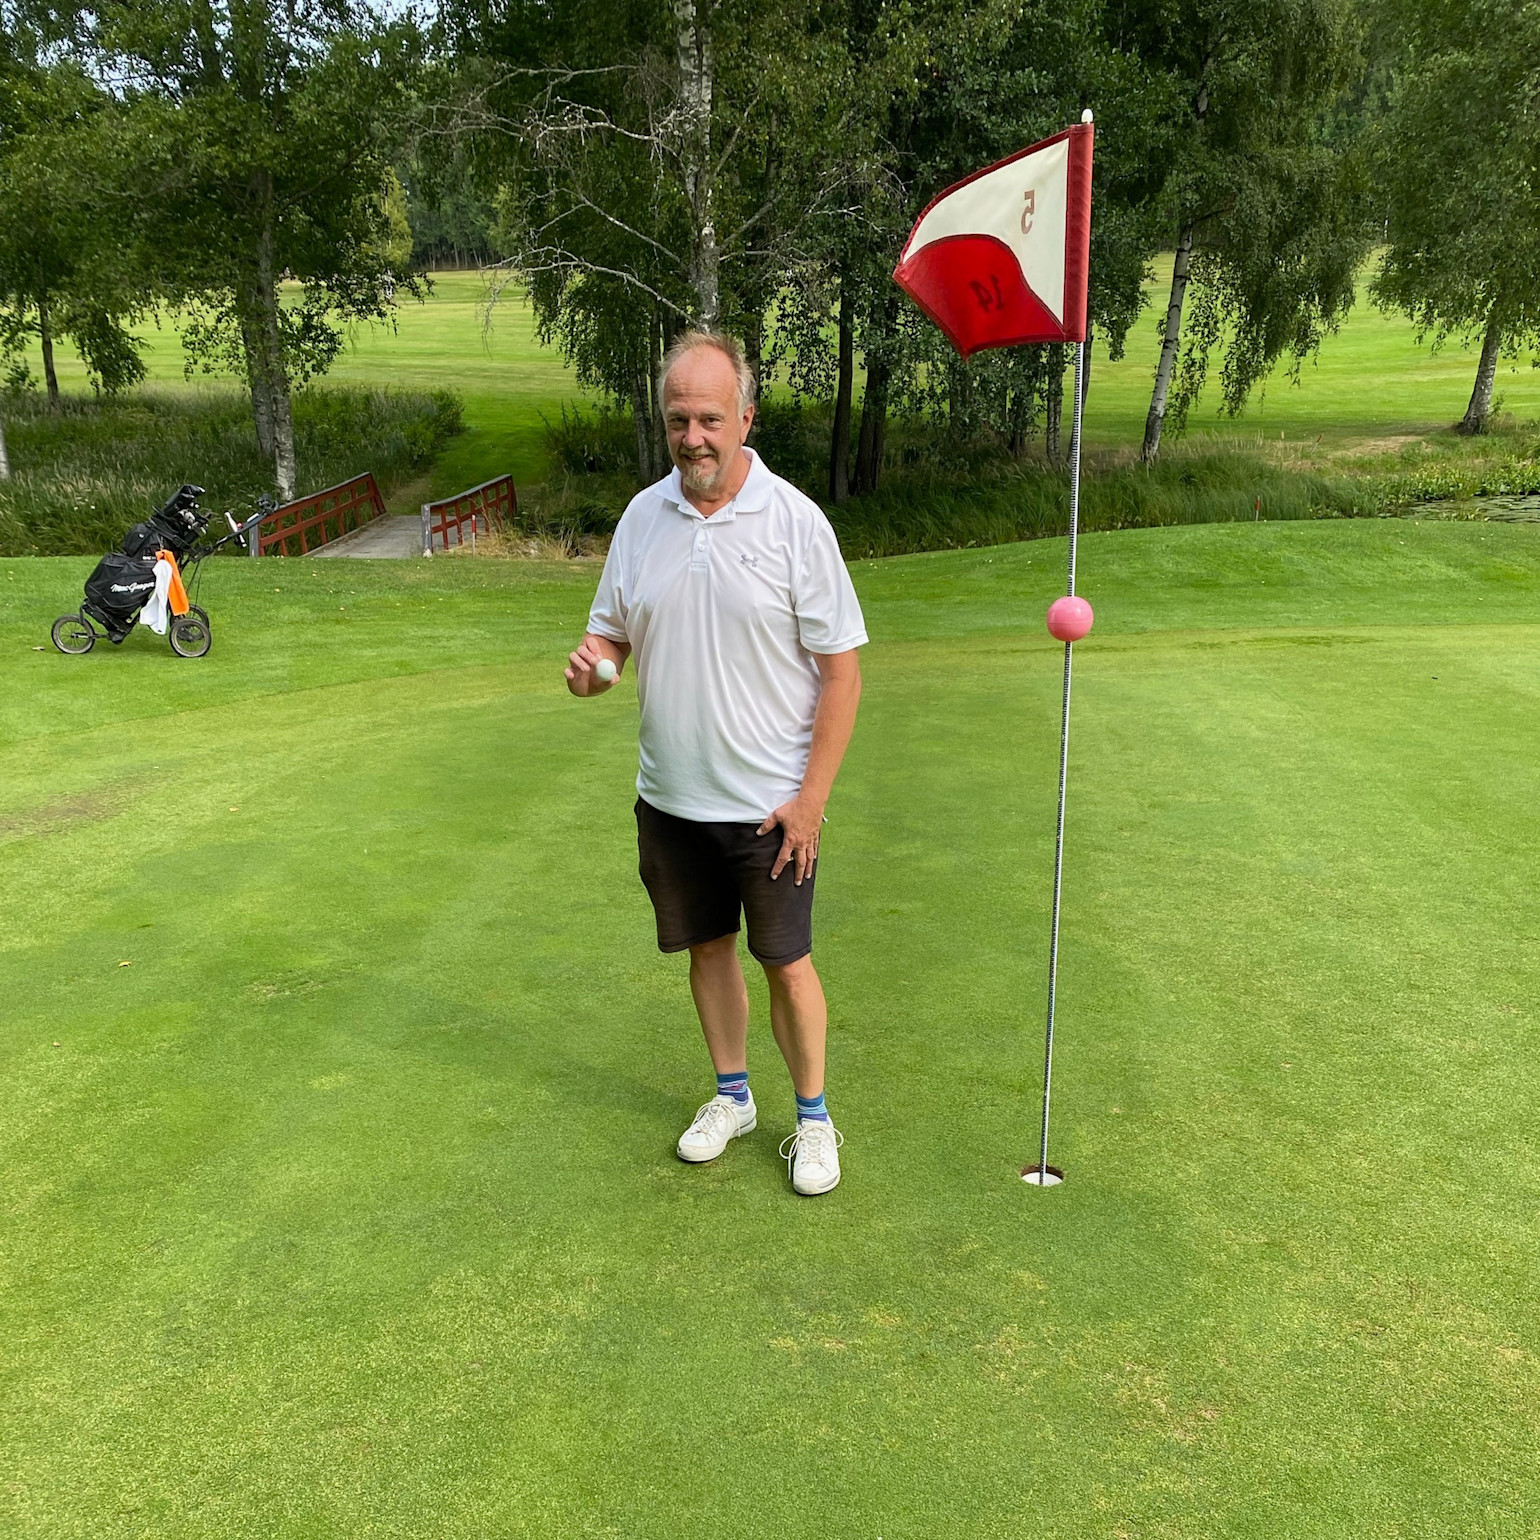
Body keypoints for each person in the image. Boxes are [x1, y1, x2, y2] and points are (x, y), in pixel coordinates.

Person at [565, 331, 867, 1195]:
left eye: (708, 418)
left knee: (787, 963)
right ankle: (732, 1096)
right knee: (706, 951)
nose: (692, 437)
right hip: (670, 797)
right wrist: (590, 669)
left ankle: (812, 1120)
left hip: (772, 804)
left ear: (745, 417)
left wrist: (811, 801)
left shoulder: (795, 522)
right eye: (676, 421)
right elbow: (610, 634)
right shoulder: (641, 517)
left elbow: (842, 670)